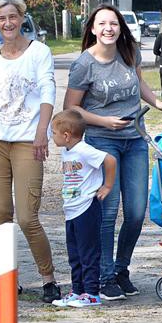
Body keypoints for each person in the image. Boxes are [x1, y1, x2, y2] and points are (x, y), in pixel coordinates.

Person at [64, 3, 162, 302]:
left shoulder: (129, 53)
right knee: (107, 212)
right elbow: (71, 108)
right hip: (103, 143)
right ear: (92, 28)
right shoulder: (83, 65)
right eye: (102, 23)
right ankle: (104, 277)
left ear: (120, 27)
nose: (108, 28)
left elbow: (139, 82)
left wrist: (158, 103)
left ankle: (121, 269)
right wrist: (104, 121)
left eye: (113, 23)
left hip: (135, 140)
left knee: (136, 212)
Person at [0, 0, 60, 303]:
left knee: (26, 217)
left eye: (12, 17)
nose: (7, 23)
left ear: (22, 18)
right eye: (1, 19)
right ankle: (7, 280)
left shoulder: (39, 52)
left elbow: (48, 91)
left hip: (27, 141)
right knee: (0, 214)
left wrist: (42, 132)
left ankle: (48, 278)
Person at [50, 110, 117, 309]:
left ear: (66, 135)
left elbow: (110, 160)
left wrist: (107, 186)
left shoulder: (84, 150)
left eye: (53, 132)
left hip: (87, 207)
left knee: (88, 252)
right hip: (71, 209)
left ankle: (92, 293)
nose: (51, 136)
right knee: (75, 253)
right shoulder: (67, 151)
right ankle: (77, 290)